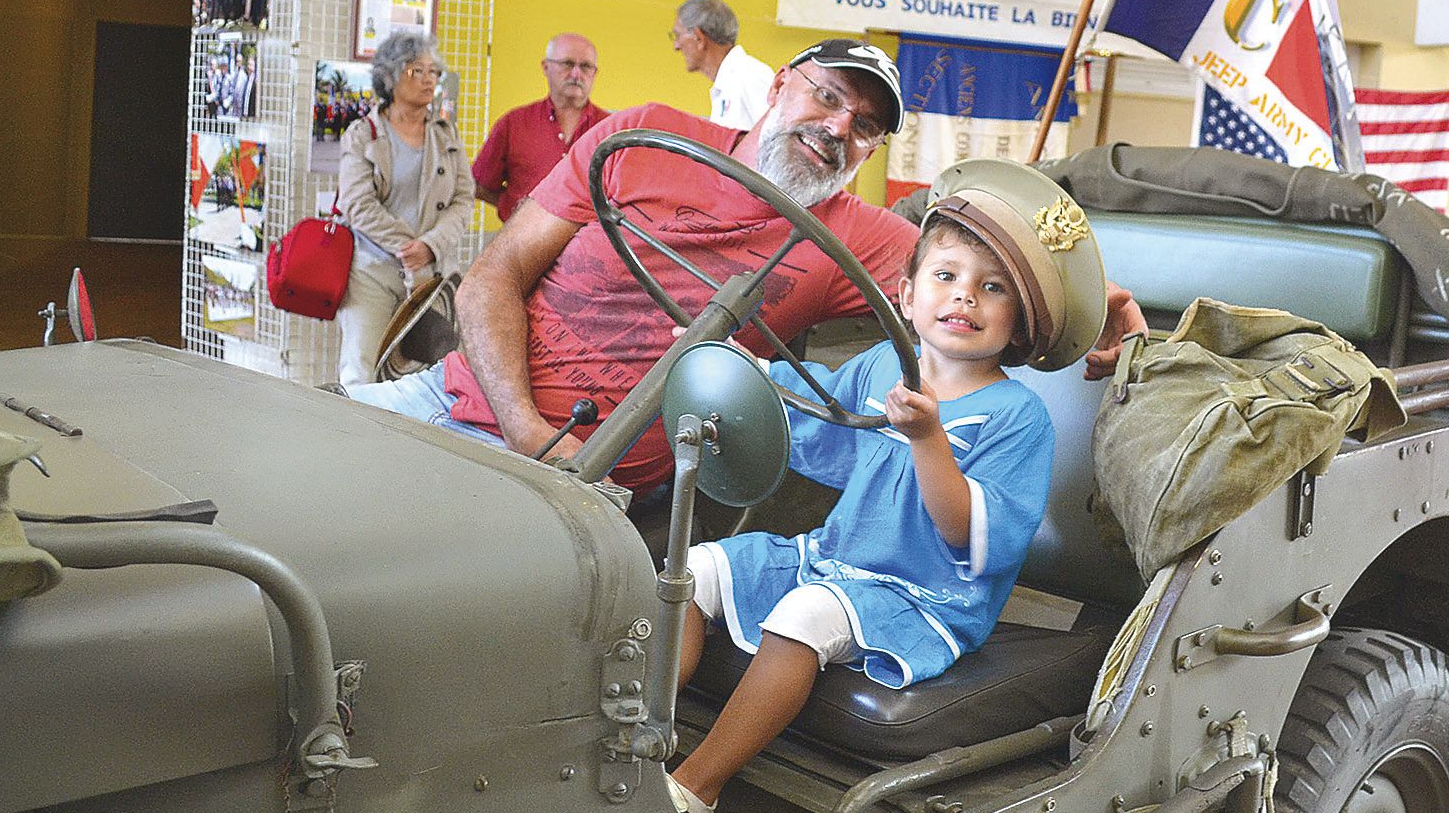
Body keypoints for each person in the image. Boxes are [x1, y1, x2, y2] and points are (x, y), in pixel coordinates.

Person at [346, 38, 1142, 490]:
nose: (837, 129)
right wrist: (525, 428)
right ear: (779, 86)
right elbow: (495, 271)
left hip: (587, 485)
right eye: (827, 97)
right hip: (455, 402)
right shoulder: (643, 135)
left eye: (863, 127)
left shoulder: (852, 240)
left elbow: (996, 271)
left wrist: (1097, 302)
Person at [662, 158, 1105, 813]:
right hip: (834, 556)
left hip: (923, 595)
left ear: (1016, 325)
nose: (964, 298)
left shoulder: (1016, 417)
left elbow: (964, 533)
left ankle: (696, 788)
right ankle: (644, 750)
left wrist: (928, 437)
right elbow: (814, 411)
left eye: (991, 289)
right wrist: (741, 367)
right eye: (946, 276)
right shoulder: (877, 365)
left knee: (807, 612)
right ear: (906, 292)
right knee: (694, 570)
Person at [335, 30, 475, 387]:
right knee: (361, 369)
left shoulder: (447, 136)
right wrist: (408, 246)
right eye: (417, 71)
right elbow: (357, 204)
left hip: (430, 277)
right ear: (390, 76)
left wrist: (430, 247)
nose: (429, 80)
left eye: (434, 72)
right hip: (372, 273)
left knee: (424, 375)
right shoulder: (362, 133)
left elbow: (462, 200)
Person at [472, 33, 609, 223]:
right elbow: (480, 185)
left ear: (595, 73)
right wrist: (514, 206)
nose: (577, 74)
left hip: (590, 246)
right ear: (546, 67)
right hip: (521, 245)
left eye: (585, 66)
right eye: (567, 64)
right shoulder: (513, 124)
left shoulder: (611, 130)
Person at [671, 0, 775, 129]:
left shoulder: (750, 76)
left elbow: (777, 140)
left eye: (678, 36)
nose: (676, 46)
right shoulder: (731, 82)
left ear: (699, 38)